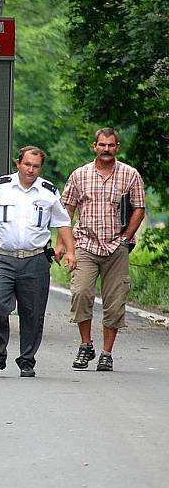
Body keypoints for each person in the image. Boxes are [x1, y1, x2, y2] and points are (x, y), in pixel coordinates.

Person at [0, 146, 76, 378]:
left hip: (35, 260)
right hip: (3, 257)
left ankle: (27, 359)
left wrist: (71, 252)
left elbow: (63, 223)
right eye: (27, 165)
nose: (30, 170)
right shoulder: (0, 187)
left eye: (35, 166)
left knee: (32, 313)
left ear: (40, 168)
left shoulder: (48, 192)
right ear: (18, 163)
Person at [59, 127, 145, 371]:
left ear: (117, 147)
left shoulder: (130, 175)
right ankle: (86, 345)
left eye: (111, 145)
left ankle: (107, 353)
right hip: (85, 243)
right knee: (81, 293)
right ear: (94, 146)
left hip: (116, 246)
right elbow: (67, 209)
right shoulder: (79, 175)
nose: (106, 149)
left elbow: (139, 208)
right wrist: (63, 244)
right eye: (102, 145)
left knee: (115, 301)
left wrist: (126, 237)